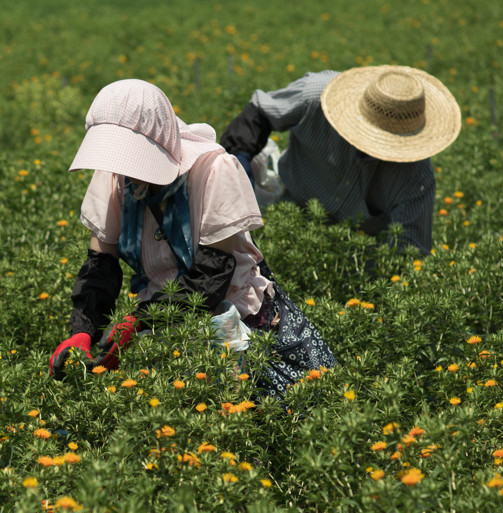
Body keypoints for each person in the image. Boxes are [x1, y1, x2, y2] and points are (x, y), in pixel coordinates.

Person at [49, 79, 335, 396]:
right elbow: (101, 264)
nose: (128, 170)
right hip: (161, 322)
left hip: (234, 317)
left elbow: (211, 275)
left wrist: (138, 321)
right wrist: (84, 330)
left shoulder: (213, 170)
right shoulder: (114, 174)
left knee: (261, 417)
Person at [220, 66, 461, 255]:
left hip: (357, 250)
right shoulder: (316, 96)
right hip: (291, 212)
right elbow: (258, 115)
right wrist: (239, 175)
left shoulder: (416, 178)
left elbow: (409, 254)